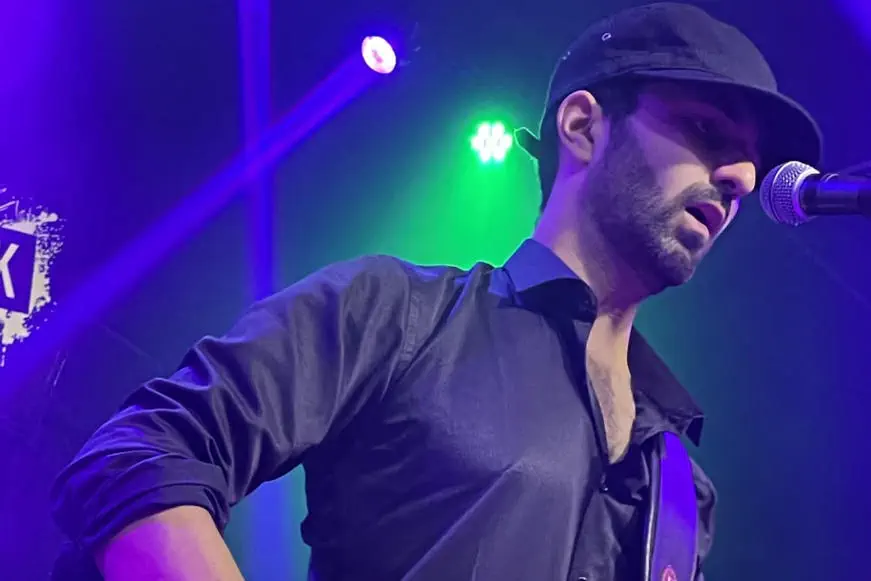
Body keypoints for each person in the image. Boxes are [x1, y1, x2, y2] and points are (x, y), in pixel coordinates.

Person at [50, 3, 823, 580]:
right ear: (583, 127)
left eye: (749, 160)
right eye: (706, 131)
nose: (739, 176)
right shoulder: (398, 313)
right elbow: (137, 455)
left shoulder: (681, 483)